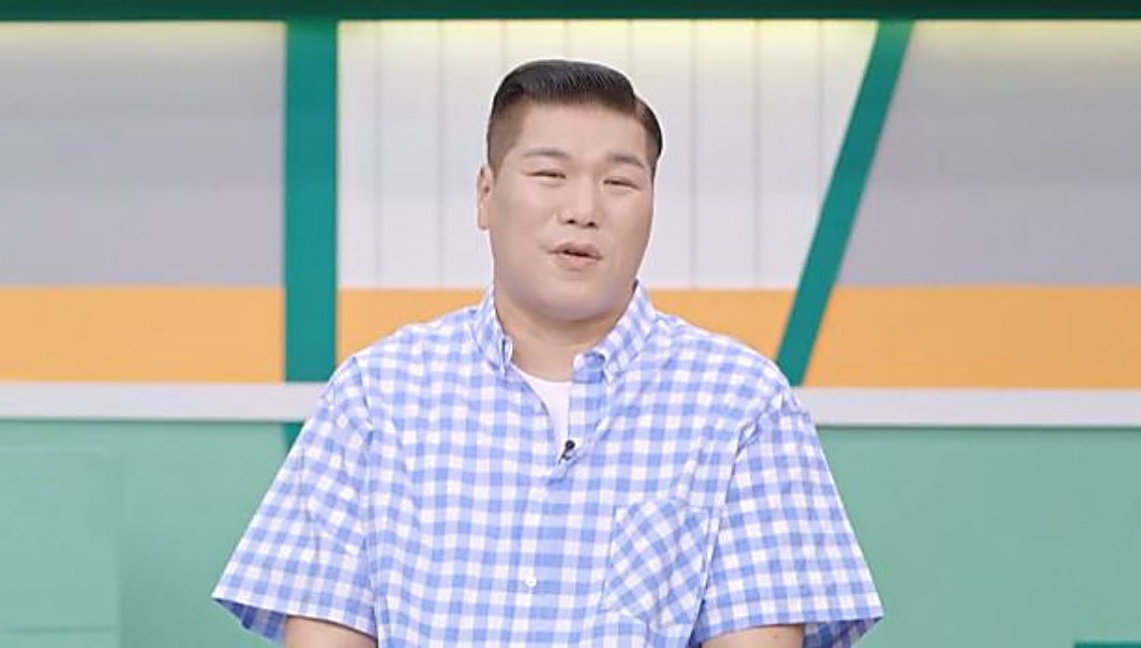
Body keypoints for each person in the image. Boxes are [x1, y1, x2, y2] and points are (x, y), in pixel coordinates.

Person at [213, 59, 882, 647]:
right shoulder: (377, 394)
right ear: (486, 195)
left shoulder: (741, 403)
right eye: (550, 174)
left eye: (619, 183)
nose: (583, 209)